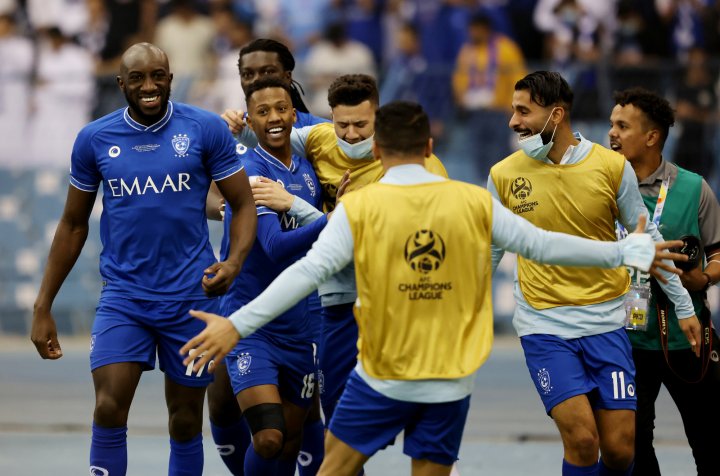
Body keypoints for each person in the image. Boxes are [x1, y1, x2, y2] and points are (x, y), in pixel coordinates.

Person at [180, 100, 688, 476]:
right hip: (447, 381)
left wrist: (235, 324)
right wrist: (623, 252)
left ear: (376, 151)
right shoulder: (473, 203)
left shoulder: (359, 208)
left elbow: (304, 274)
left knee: (333, 470)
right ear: (428, 148)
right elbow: (546, 245)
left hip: (381, 376)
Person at [29, 42, 257, 476]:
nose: (149, 86)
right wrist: (43, 305)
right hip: (124, 298)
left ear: (170, 78)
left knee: (187, 418)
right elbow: (73, 225)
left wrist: (234, 263)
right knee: (109, 406)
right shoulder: (95, 138)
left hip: (191, 297)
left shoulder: (205, 129)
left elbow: (243, 204)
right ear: (121, 84)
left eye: (158, 76)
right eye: (138, 78)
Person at [487, 71, 702, 476]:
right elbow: (489, 251)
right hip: (543, 325)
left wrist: (682, 305)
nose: (513, 122)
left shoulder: (610, 167)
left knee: (620, 451)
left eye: (522, 111)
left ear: (556, 114)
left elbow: (647, 238)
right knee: (583, 441)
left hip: (606, 324)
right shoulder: (503, 174)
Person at [223, 74, 448, 431]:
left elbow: (368, 238)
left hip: (391, 301)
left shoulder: (413, 166)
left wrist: (295, 204)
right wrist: (236, 124)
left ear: (380, 121)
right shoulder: (319, 139)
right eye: (343, 124)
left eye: (362, 124)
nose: (352, 135)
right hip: (338, 302)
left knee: (418, 418)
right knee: (336, 416)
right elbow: (267, 134)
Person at [207, 37, 329, 476]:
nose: (258, 81)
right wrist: (244, 210)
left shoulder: (318, 141)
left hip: (305, 317)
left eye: (267, 74)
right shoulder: (238, 152)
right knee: (265, 431)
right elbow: (270, 241)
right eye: (249, 77)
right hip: (251, 311)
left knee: (293, 434)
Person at [609, 87, 720, 476]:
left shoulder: (693, 188)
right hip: (625, 339)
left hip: (686, 337)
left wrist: (703, 276)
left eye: (623, 126)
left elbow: (719, 252)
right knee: (632, 444)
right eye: (611, 125)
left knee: (711, 439)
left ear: (652, 136)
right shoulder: (599, 187)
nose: (612, 134)